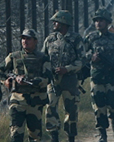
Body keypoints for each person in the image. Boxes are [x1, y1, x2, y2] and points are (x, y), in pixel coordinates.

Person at [0, 29, 53, 142]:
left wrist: (32, 81)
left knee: (35, 135)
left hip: (35, 102)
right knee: (15, 133)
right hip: (17, 101)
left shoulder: (43, 58)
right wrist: (6, 80)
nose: (25, 41)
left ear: (35, 41)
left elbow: (48, 77)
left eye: (28, 38)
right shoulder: (14, 56)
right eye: (23, 38)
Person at [42, 10, 85, 142]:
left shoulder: (76, 39)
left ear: (64, 23)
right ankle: (54, 136)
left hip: (70, 80)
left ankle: (70, 136)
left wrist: (67, 69)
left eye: (57, 22)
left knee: (71, 109)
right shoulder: (50, 39)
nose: (54, 24)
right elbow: (43, 58)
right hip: (53, 81)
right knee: (50, 107)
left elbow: (81, 61)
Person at [85, 9, 114, 142]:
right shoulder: (91, 37)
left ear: (107, 22)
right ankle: (102, 133)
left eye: (101, 20)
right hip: (97, 76)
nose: (98, 23)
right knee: (99, 105)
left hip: (111, 76)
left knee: (113, 102)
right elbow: (81, 54)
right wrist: (91, 57)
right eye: (96, 21)